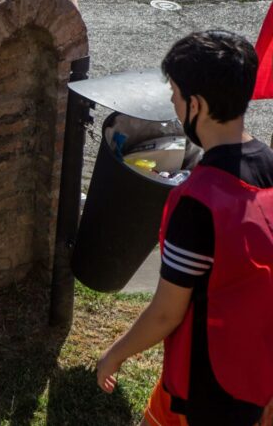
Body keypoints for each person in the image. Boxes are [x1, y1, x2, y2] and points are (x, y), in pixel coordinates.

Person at [96, 30, 273, 426]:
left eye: (176, 94)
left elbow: (166, 313)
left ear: (197, 105)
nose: (173, 104)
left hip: (209, 385)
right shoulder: (269, 165)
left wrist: (115, 353)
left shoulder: (196, 201)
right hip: (261, 370)